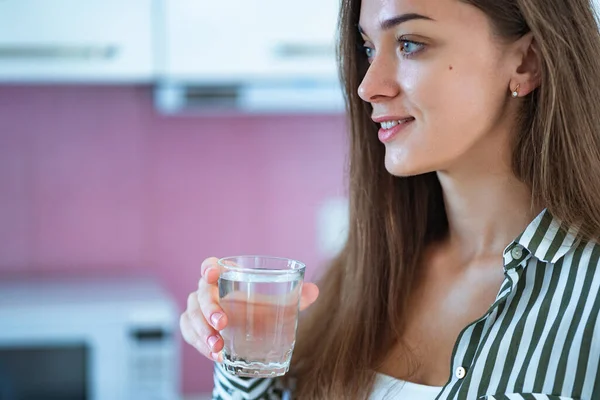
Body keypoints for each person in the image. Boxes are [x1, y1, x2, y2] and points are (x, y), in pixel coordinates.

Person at [179, 0, 600, 398]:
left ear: (526, 62)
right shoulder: (366, 271)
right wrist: (240, 355)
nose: (368, 86)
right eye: (366, 47)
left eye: (409, 44)